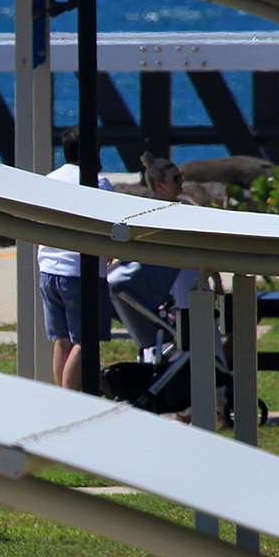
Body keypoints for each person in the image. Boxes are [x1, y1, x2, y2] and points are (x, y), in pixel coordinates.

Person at [35, 127, 112, 389]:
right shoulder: (97, 182)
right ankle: (71, 400)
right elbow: (108, 225)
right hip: (81, 271)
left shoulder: (49, 180)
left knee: (62, 340)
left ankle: (62, 399)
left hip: (49, 269)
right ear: (92, 151)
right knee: (86, 341)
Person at [107, 155, 187, 359]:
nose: (181, 182)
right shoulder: (146, 214)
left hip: (184, 275)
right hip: (165, 281)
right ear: (159, 185)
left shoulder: (187, 207)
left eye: (181, 177)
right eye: (175, 179)